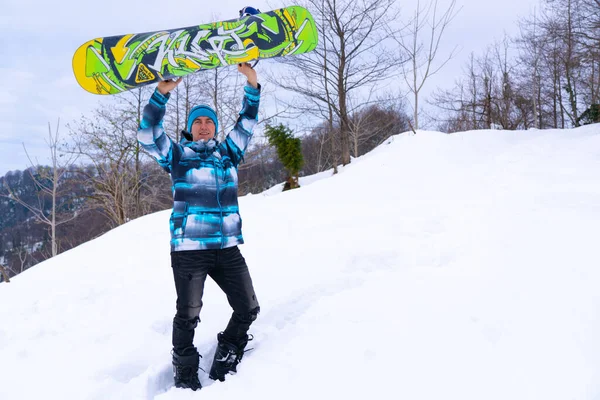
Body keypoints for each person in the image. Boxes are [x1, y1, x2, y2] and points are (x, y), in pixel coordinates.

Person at [137, 63, 261, 391]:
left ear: (214, 127)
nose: (204, 126)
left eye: (209, 121)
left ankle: (227, 350)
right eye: (198, 122)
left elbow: (247, 122)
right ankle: (185, 365)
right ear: (191, 129)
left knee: (248, 308)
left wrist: (251, 83)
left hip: (227, 248)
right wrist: (161, 94)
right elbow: (148, 134)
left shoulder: (227, 154)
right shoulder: (177, 156)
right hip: (190, 250)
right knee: (189, 313)